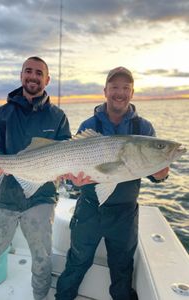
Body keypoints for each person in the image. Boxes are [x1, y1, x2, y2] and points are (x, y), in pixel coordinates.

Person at [55, 67, 169, 300]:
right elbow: (76, 170)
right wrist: (74, 180)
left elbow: (154, 173)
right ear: (105, 91)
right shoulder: (89, 125)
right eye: (115, 87)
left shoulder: (143, 129)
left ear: (132, 92)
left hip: (125, 213)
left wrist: (161, 174)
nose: (120, 92)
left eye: (125, 88)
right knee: (77, 262)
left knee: (122, 268)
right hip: (89, 209)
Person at [0, 56, 71, 300]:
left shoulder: (58, 117)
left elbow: (68, 151)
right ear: (21, 75)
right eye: (28, 71)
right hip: (3, 196)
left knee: (42, 259)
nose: (33, 76)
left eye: (39, 73)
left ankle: (40, 297)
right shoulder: (4, 113)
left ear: (47, 79)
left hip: (41, 198)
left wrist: (69, 172)